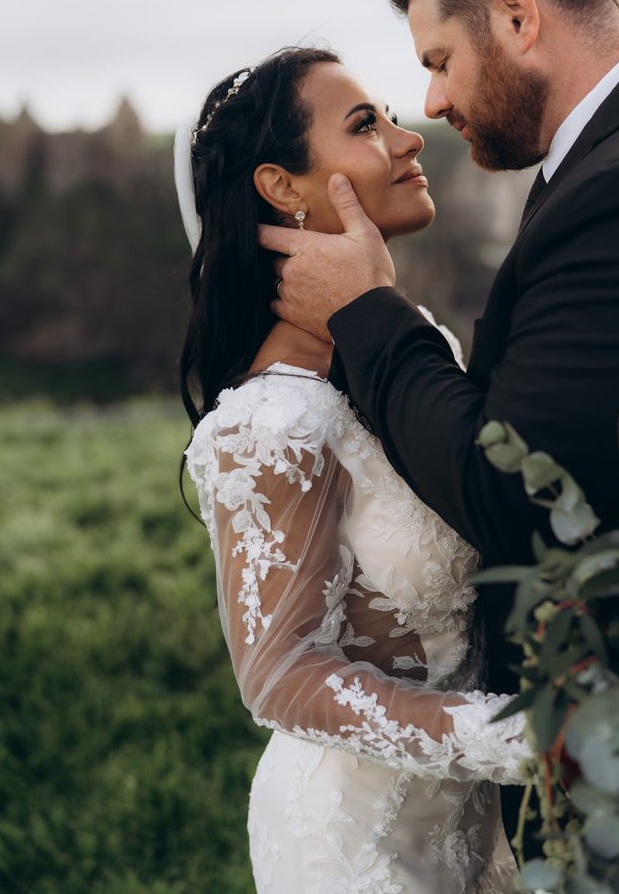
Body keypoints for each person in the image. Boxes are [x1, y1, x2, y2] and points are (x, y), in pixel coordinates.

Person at [257, 0, 619, 836]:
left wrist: (367, 312)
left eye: (438, 61)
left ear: (517, 14)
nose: (432, 103)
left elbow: (521, 489)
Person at [176, 46, 530, 893]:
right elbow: (279, 675)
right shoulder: (272, 421)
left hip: (473, 830)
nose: (408, 140)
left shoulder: (421, 354)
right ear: (282, 188)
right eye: (366, 124)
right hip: (352, 848)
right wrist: (524, 738)